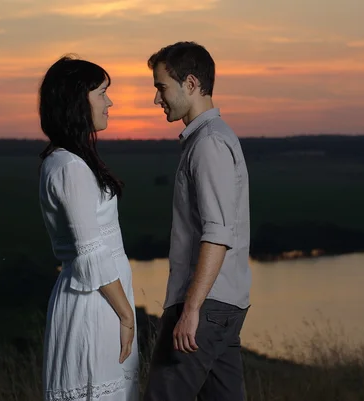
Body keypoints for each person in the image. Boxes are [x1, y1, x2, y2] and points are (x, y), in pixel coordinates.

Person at [143, 41, 252, 401]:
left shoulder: (209, 143)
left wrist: (190, 310)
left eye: (161, 87)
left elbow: (217, 234)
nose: (157, 99)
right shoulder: (209, 140)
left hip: (206, 306)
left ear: (190, 84)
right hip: (219, 305)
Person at [38, 55, 139, 401]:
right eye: (102, 92)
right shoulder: (69, 166)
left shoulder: (71, 161)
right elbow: (90, 251)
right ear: (77, 100)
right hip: (94, 303)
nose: (109, 102)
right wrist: (127, 316)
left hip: (103, 300)